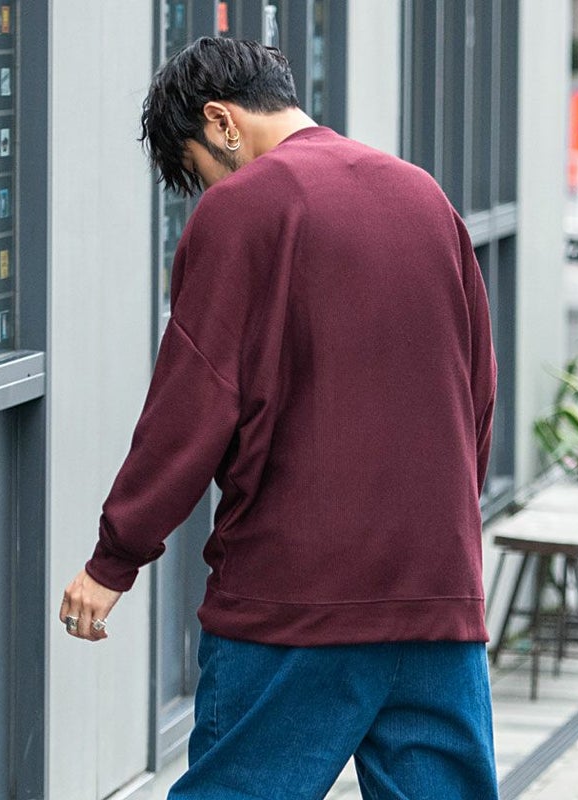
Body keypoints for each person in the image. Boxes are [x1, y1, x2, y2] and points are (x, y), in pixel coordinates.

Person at [60, 36, 499, 800]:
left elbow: (190, 407)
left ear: (221, 122)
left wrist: (113, 559)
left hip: (293, 600)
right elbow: (478, 393)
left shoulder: (243, 209)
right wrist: (438, 538)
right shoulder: (423, 196)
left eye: (200, 170)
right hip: (436, 596)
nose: (210, 189)